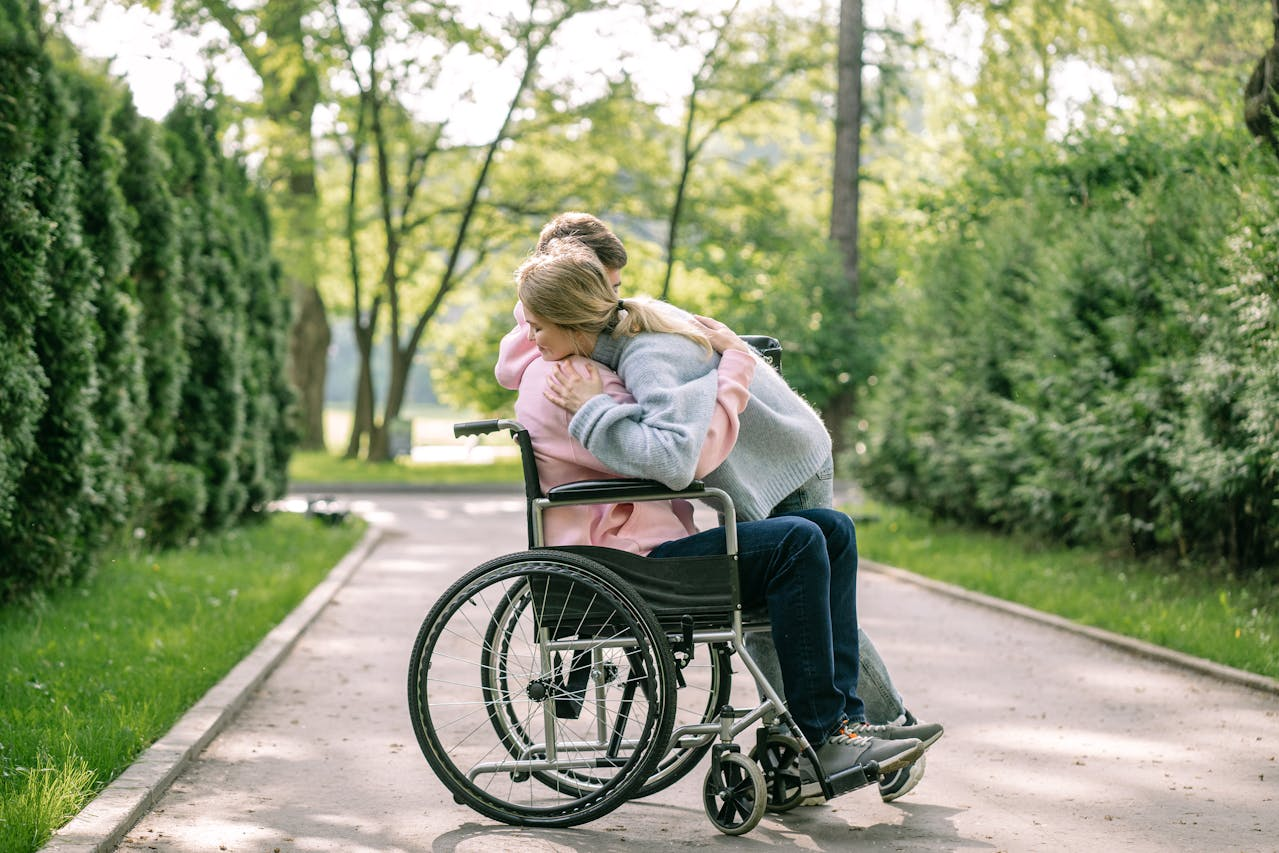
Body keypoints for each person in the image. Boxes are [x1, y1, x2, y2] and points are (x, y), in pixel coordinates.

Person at [499, 215, 943, 800]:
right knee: (801, 543)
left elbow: (668, 455)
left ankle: (843, 730)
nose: (527, 337)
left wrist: (722, 370)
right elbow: (673, 458)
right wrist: (721, 370)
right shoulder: (571, 372)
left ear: (571, 318)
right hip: (628, 556)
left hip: (720, 497)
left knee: (825, 533)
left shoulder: (621, 362)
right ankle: (825, 735)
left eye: (536, 325)